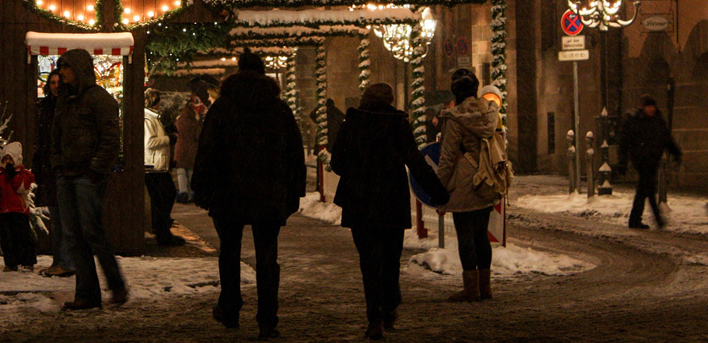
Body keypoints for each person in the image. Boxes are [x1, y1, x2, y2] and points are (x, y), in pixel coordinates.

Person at [193, 48, 307, 341]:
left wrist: (202, 188)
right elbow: (294, 153)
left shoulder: (223, 107)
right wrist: (293, 192)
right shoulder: (278, 108)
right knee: (267, 257)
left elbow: (207, 149)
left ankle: (230, 307)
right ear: (263, 72)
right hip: (268, 193)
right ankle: (267, 319)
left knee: (229, 251)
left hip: (228, 191)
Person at [331, 83, 450, 338]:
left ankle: (374, 317)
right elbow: (416, 162)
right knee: (390, 259)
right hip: (390, 202)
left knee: (369, 262)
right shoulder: (398, 124)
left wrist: (359, 166)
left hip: (360, 202)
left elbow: (337, 164)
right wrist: (438, 192)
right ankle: (389, 305)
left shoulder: (351, 123)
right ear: (390, 101)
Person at [51, 48, 127, 310]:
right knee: (74, 236)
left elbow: (110, 140)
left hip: (86, 176)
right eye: (61, 67)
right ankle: (87, 294)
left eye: (66, 67)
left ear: (79, 69)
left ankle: (114, 285)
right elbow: (56, 136)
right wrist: (59, 164)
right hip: (69, 175)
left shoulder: (99, 100)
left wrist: (95, 170)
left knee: (92, 232)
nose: (62, 73)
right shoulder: (65, 100)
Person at [436, 68, 500, 303]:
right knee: (482, 234)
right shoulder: (489, 112)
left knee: (466, 235)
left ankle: (470, 288)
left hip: (463, 182)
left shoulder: (454, 117)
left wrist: (438, 189)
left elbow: (448, 157)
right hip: (485, 178)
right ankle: (486, 287)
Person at [616, 95, 682, 229]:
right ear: (643, 108)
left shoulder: (658, 121)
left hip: (653, 159)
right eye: (648, 107)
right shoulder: (636, 122)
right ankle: (654, 219)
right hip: (641, 159)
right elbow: (625, 143)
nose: (651, 109)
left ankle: (640, 219)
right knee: (646, 187)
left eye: (653, 107)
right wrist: (622, 161)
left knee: (647, 189)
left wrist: (676, 153)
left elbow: (667, 139)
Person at [32, 70, 74, 277]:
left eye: (59, 82)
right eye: (53, 82)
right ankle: (59, 260)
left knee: (63, 218)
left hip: (62, 168)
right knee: (57, 218)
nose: (56, 86)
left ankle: (65, 262)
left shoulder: (68, 106)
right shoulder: (46, 107)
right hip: (50, 169)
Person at [0, 142, 37, 272]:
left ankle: (27, 261)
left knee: (22, 236)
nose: (8, 162)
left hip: (18, 210)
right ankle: (10, 262)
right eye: (5, 159)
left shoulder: (23, 174)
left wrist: (13, 176)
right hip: (3, 211)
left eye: (10, 159)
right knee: (6, 238)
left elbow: (22, 187)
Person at [145, 95, 184, 246]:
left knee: (164, 197)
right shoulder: (148, 119)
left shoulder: (154, 118)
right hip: (153, 166)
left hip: (158, 165)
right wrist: (168, 139)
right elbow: (149, 142)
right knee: (165, 196)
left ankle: (162, 230)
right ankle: (162, 232)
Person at [175, 79, 211, 203]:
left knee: (182, 171)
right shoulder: (192, 119)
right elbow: (197, 134)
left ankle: (184, 192)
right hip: (190, 148)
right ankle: (190, 193)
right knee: (189, 171)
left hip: (181, 148)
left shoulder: (182, 117)